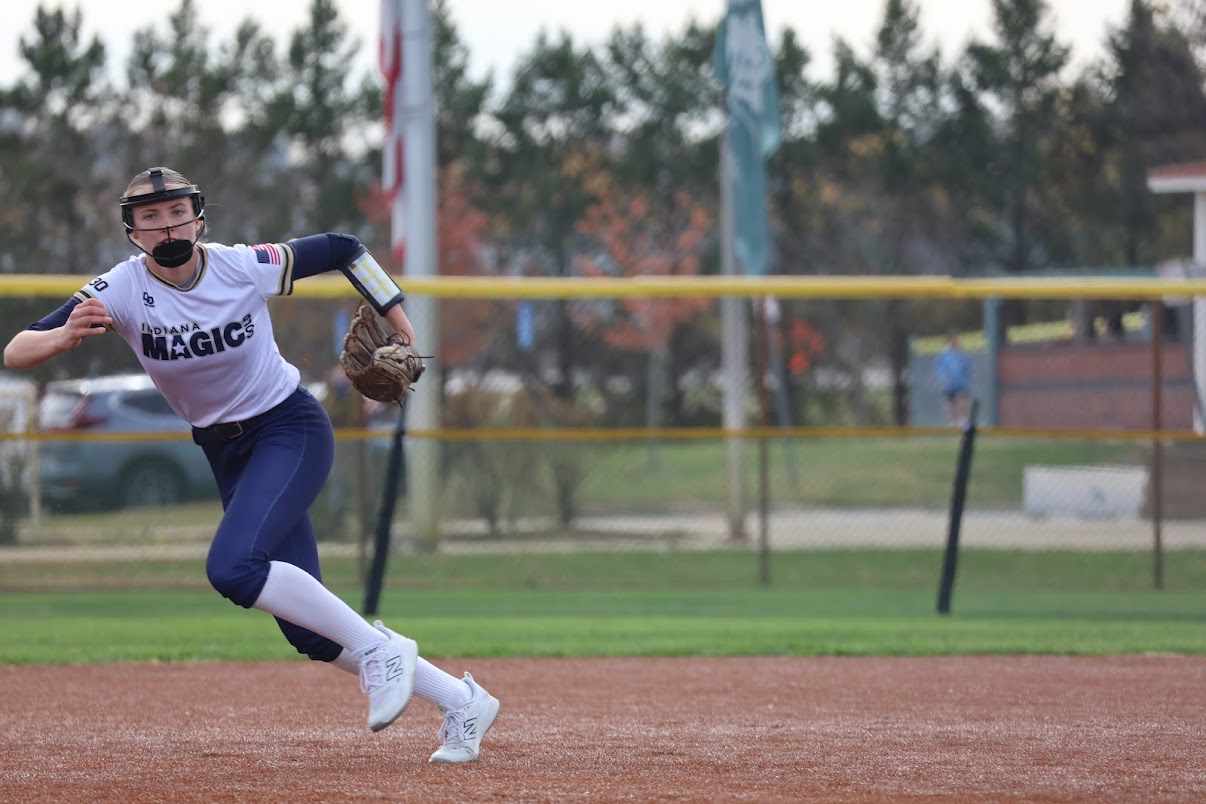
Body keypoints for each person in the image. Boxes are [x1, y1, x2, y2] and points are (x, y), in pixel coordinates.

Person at [3, 167, 498, 764]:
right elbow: (17, 348)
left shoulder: (241, 265)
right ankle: (462, 701)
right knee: (311, 632)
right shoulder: (121, 289)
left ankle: (381, 651)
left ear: (199, 216)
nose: (167, 226)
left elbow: (344, 249)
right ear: (132, 230)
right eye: (151, 217)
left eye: (178, 212)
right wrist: (60, 339)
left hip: (288, 430)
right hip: (226, 451)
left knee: (234, 568)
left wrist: (396, 313)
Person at [934, 332, 972, 428]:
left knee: (962, 400)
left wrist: (966, 377)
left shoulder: (961, 355)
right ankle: (952, 422)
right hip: (948, 384)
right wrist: (944, 378)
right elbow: (939, 368)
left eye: (956, 340)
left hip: (960, 382)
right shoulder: (943, 355)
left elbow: (966, 367)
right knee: (949, 402)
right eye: (953, 340)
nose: (955, 342)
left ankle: (963, 420)